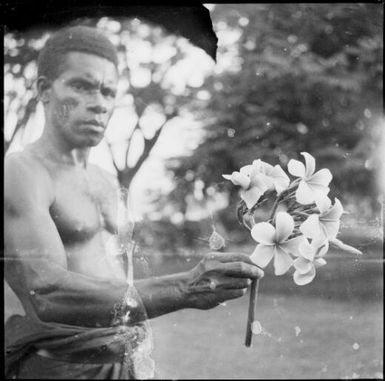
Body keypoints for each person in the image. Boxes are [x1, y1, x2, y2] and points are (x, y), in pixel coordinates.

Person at [4, 25, 264, 379]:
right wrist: (184, 287)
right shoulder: (21, 172)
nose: (98, 103)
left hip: (124, 359)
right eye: (81, 86)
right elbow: (46, 293)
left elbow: (118, 277)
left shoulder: (104, 180)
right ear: (44, 90)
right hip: (60, 366)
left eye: (108, 92)